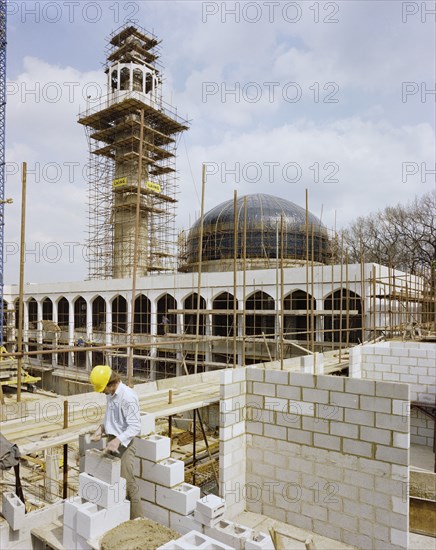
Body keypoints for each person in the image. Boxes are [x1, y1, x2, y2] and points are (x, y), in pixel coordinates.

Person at [89, 365, 143, 519]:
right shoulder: (110, 394)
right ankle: (118, 516)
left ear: (111, 383)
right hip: (113, 440)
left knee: (127, 482)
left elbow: (135, 426)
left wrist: (118, 440)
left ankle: (138, 521)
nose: (102, 392)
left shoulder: (128, 397)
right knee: (111, 480)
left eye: (102, 389)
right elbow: (112, 418)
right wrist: (102, 428)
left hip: (125, 443)